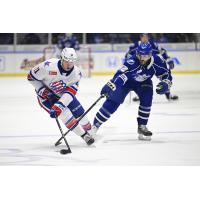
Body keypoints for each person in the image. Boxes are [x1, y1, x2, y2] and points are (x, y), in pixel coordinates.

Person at [91, 42, 172, 141]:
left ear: (150, 55)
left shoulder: (158, 61)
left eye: (145, 56)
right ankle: (95, 126)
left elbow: (166, 73)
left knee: (147, 99)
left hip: (144, 82)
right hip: (127, 83)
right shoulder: (132, 61)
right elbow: (121, 74)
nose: (142, 58)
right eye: (140, 55)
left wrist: (166, 82)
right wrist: (112, 85)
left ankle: (142, 126)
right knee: (113, 102)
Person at [27, 47, 94, 145]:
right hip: (46, 99)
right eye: (67, 61)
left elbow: (70, 93)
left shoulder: (77, 73)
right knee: (65, 115)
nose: (69, 64)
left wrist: (59, 105)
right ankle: (84, 136)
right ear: (62, 58)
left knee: (80, 113)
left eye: (72, 61)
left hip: (64, 95)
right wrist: (42, 90)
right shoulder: (48, 66)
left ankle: (91, 131)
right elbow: (31, 77)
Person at [126, 33, 178, 101]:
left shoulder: (154, 45)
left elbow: (163, 52)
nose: (145, 38)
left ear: (148, 37)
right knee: (140, 79)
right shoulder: (135, 46)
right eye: (143, 37)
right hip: (141, 65)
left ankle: (168, 94)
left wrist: (169, 59)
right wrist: (130, 63)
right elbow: (127, 55)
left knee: (164, 77)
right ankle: (140, 95)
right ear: (140, 37)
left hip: (154, 64)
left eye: (146, 37)